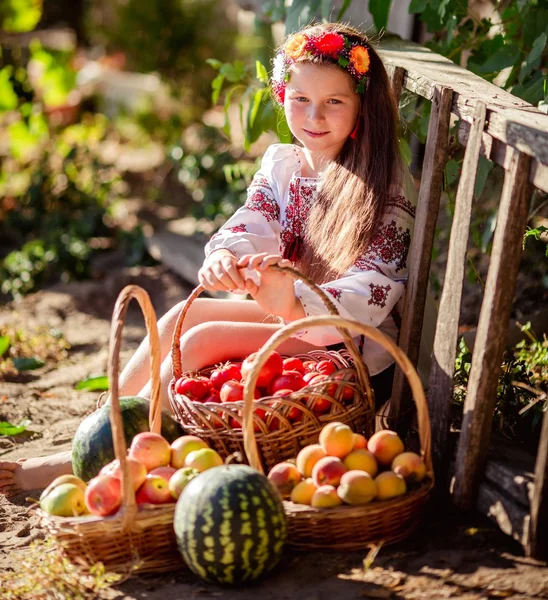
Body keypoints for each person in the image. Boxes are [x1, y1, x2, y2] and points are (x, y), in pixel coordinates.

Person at [0, 22, 422, 497]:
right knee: (180, 315)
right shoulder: (285, 163)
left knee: (204, 339)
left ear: (361, 106)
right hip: (292, 319)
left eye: (334, 102)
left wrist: (293, 305)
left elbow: (371, 290)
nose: (314, 115)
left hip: (347, 342)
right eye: (300, 98)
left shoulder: (382, 190)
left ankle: (111, 459)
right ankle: (98, 435)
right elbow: (253, 219)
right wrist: (227, 255)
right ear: (282, 92)